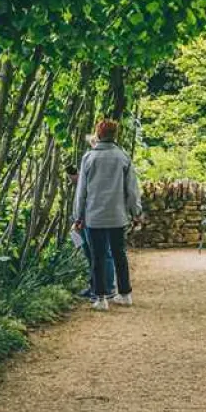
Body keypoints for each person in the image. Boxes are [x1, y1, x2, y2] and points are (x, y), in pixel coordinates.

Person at [73, 118, 142, 311]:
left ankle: (101, 298)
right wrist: (136, 213)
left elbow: (82, 192)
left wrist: (77, 217)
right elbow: (132, 190)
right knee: (120, 254)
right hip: (118, 216)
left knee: (98, 257)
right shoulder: (123, 157)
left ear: (99, 135)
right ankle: (125, 294)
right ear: (115, 135)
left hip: (94, 217)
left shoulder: (89, 158)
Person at [66, 161, 116, 300]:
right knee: (90, 255)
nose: (72, 179)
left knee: (103, 253)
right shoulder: (81, 182)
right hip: (84, 221)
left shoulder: (95, 177)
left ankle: (108, 288)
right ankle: (95, 286)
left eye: (74, 175)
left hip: (95, 220)